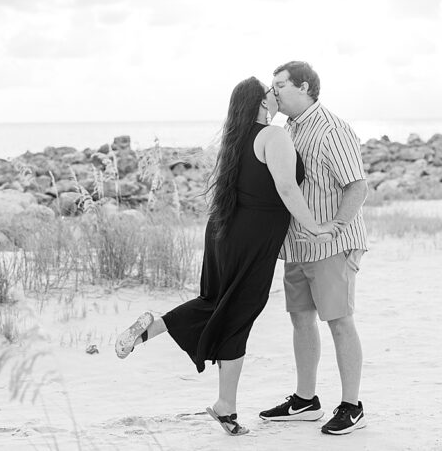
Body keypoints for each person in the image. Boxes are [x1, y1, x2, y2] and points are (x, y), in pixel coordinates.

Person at [114, 77, 335, 437]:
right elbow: (286, 188)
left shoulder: (237, 140)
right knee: (237, 313)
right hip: (250, 239)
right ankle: (223, 404)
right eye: (271, 92)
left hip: (225, 232)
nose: (275, 95)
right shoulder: (273, 136)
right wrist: (316, 226)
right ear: (262, 104)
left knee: (220, 304)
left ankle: (215, 395)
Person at [258, 61, 370, 436]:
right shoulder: (287, 129)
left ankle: (353, 406)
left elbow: (357, 186)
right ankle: (306, 401)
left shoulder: (331, 129)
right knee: (300, 318)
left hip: (331, 246)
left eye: (280, 86)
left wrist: (334, 227)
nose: (274, 93)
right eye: (272, 89)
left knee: (339, 321)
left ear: (304, 86)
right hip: (298, 246)